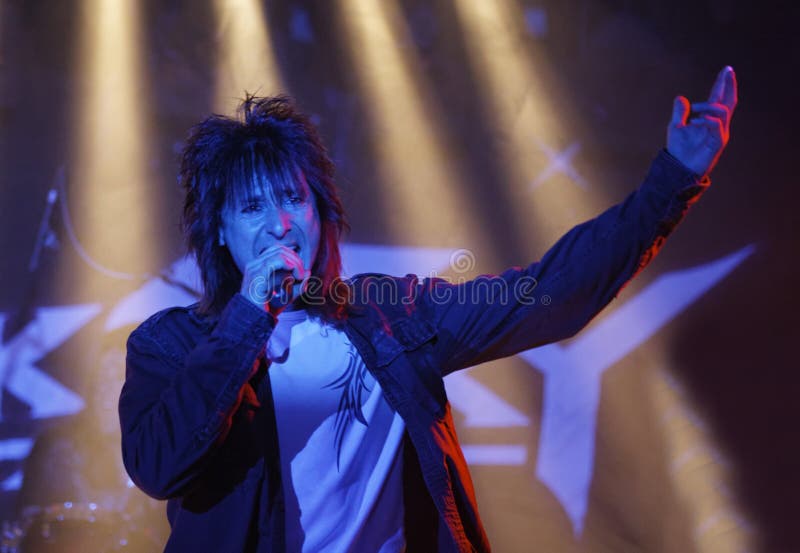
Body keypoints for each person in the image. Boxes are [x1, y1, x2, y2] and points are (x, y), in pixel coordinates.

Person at [118, 67, 738, 552]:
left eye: (292, 199)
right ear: (219, 232)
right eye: (252, 209)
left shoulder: (394, 315)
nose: (279, 224)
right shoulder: (170, 345)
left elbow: (548, 293)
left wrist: (673, 180)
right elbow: (159, 467)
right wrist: (248, 319)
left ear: (319, 211)